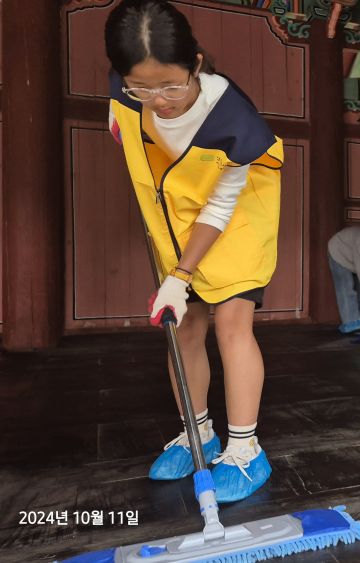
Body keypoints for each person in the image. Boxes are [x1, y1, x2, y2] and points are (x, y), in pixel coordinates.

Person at [105, 0, 282, 502]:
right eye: (142, 87)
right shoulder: (126, 90)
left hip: (236, 221)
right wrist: (124, 115)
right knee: (181, 329)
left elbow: (221, 207)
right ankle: (197, 432)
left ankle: (246, 449)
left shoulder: (231, 118)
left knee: (230, 325)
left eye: (170, 85)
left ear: (197, 64)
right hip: (175, 220)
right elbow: (128, 115)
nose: (158, 100)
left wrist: (181, 274)